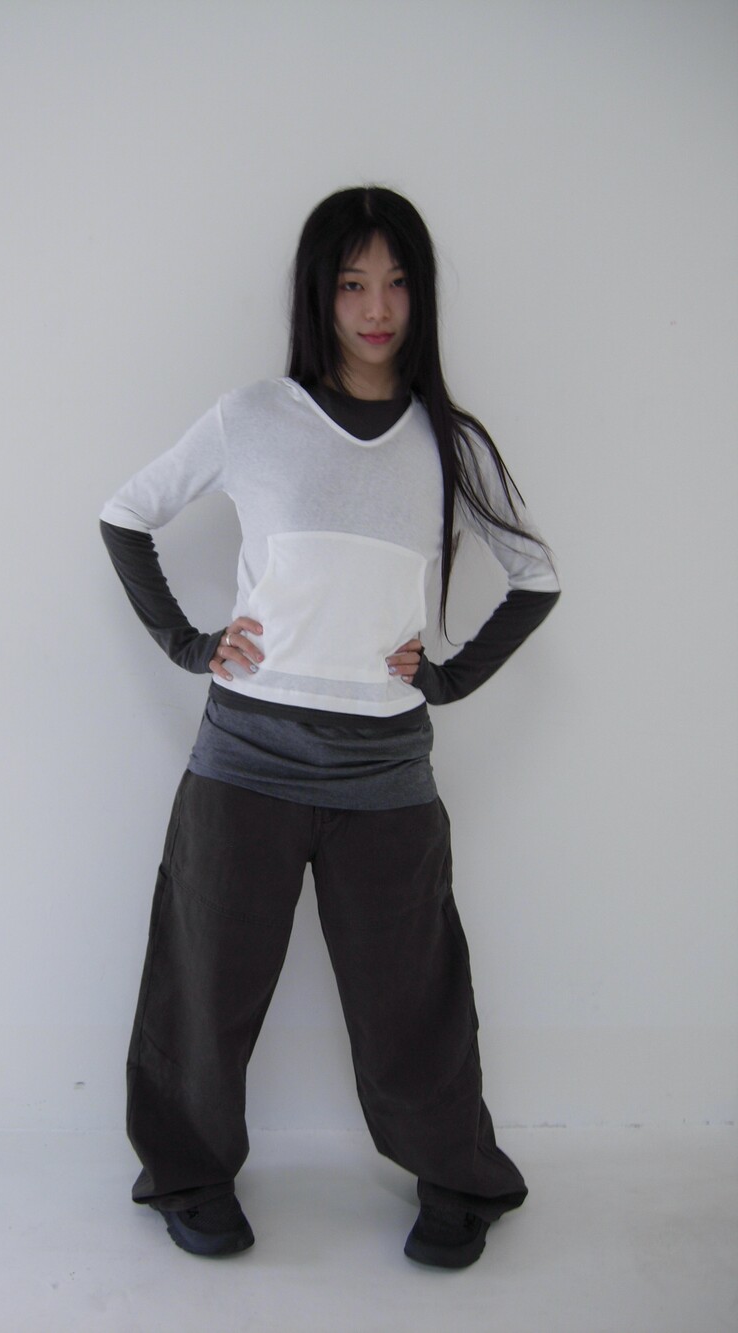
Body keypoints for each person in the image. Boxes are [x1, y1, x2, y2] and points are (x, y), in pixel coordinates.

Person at [99, 186, 559, 1269]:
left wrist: (446, 677)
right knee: (203, 990)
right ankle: (187, 1175)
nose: (376, 307)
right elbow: (126, 514)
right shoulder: (254, 416)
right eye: (353, 283)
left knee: (411, 1004)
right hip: (243, 761)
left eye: (396, 282)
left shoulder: (449, 441)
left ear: (421, 294)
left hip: (385, 775)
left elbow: (535, 574)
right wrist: (189, 643)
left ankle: (458, 1179)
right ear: (320, 294)